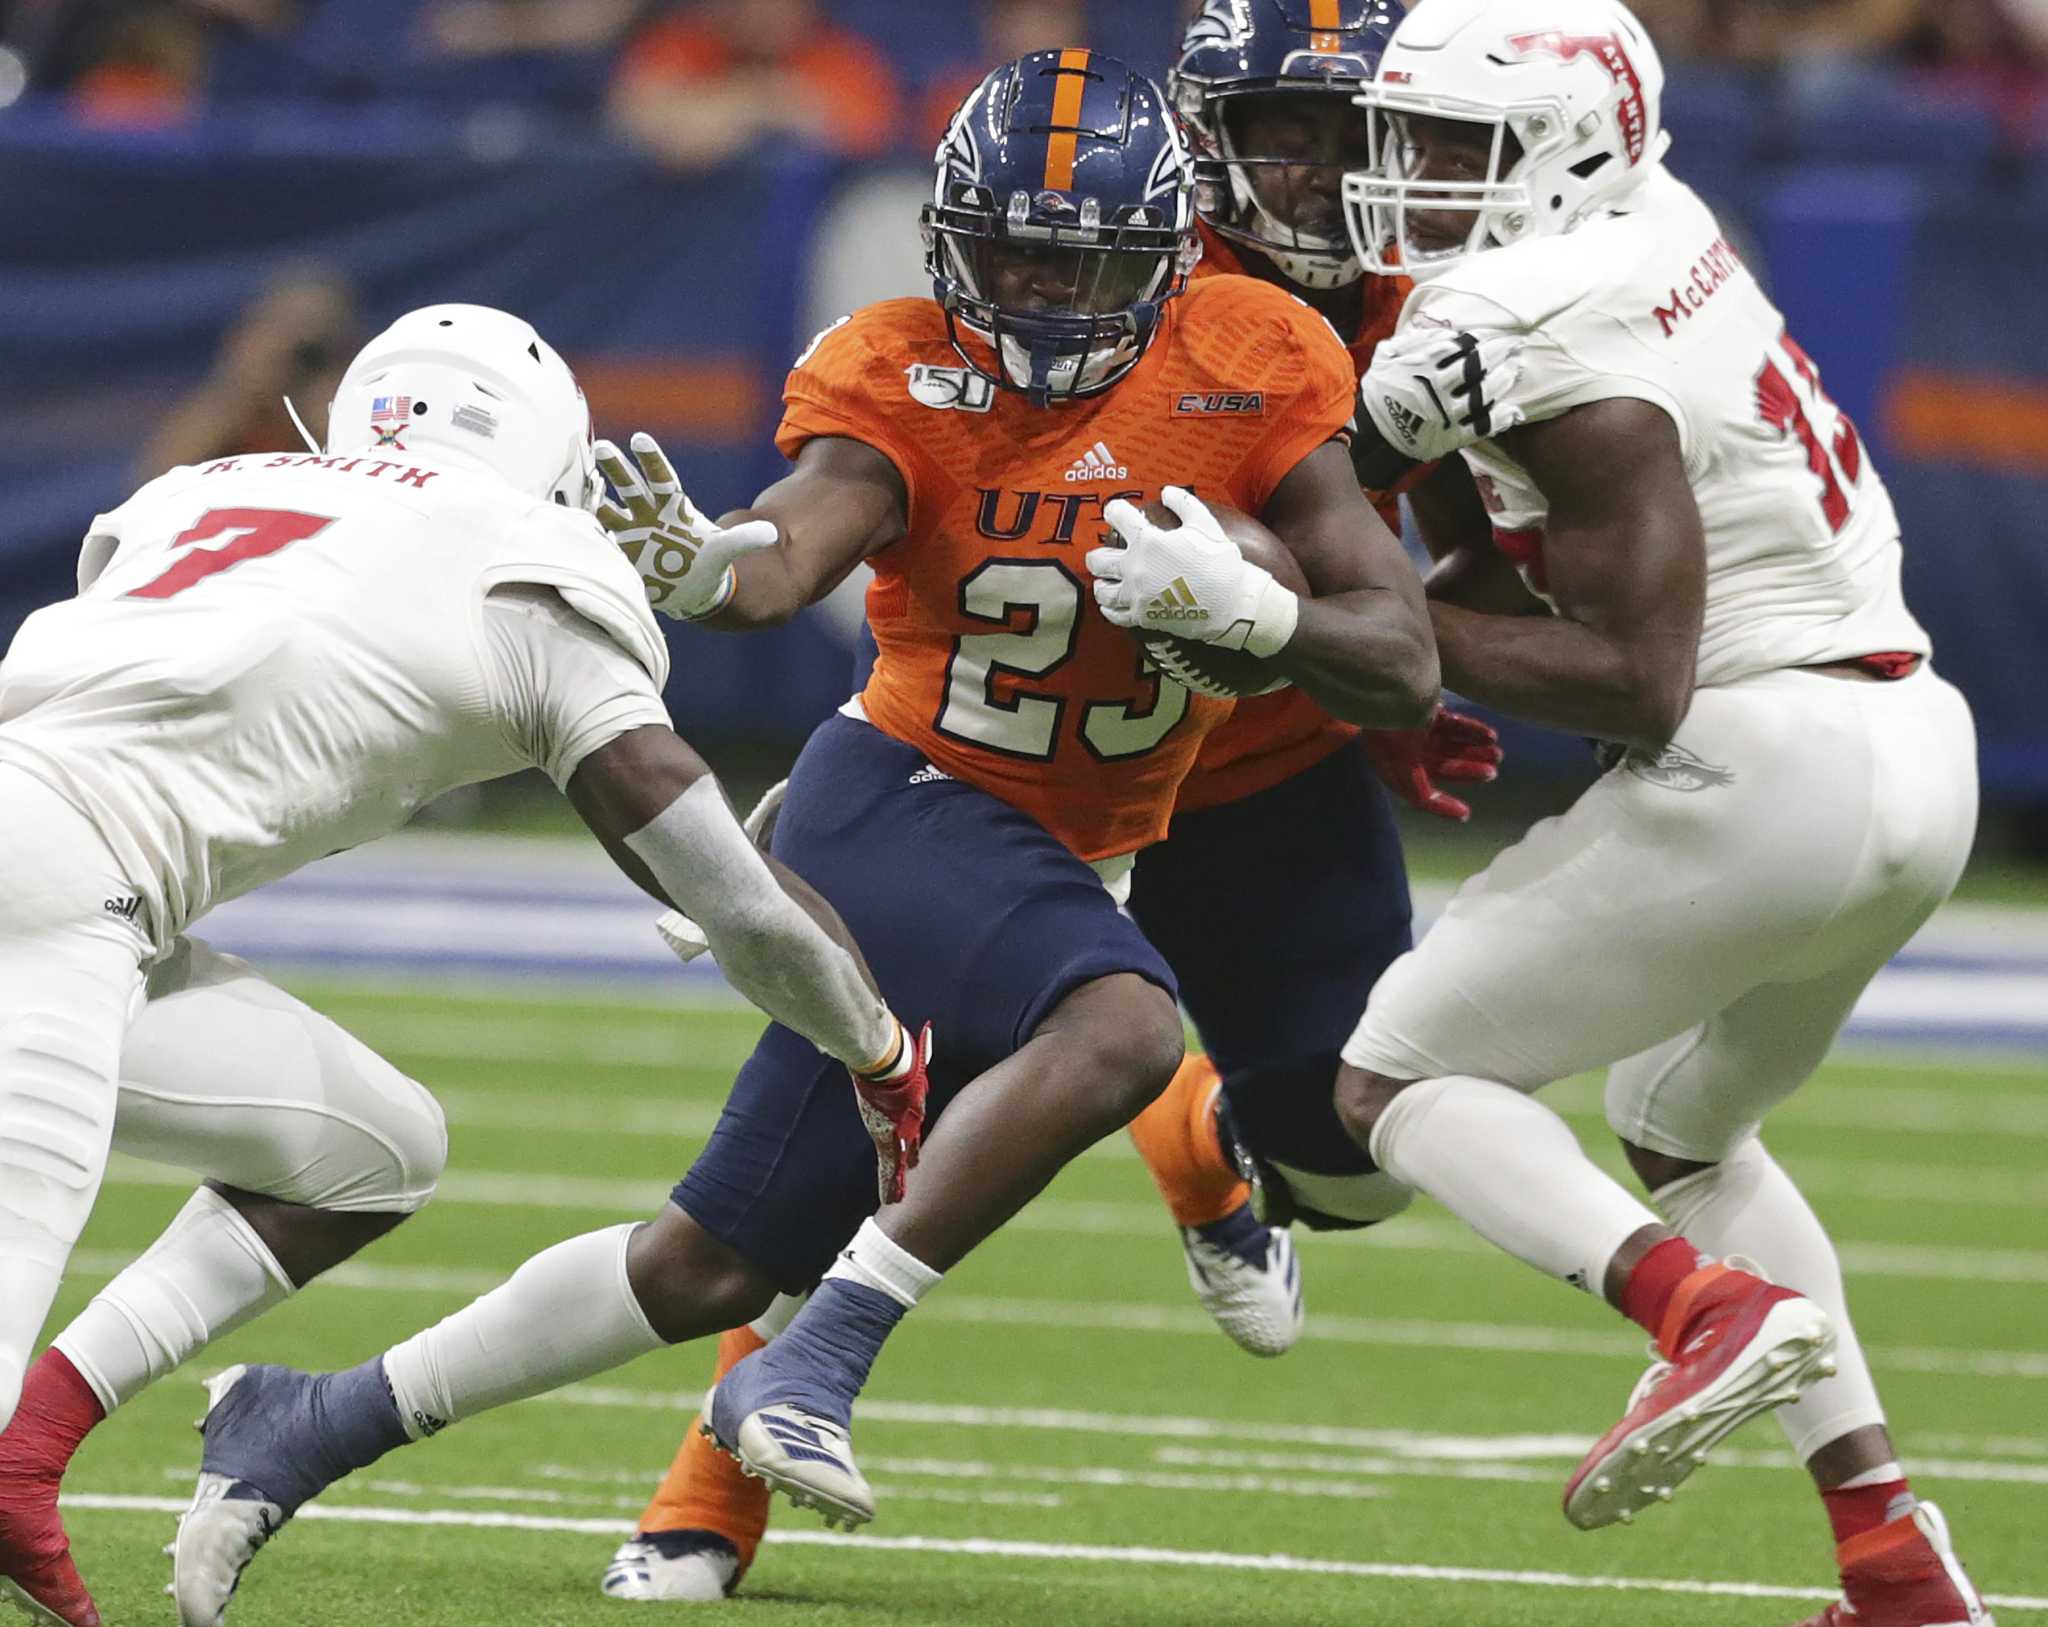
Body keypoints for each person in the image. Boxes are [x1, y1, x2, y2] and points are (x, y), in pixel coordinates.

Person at [171, 50, 1438, 1623]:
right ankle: (828, 1359)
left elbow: (1402, 658)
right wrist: (708, 563)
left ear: (1172, 255)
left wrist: (1262, 610)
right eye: (1011, 251)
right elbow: (804, 533)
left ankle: (303, 1419)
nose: (1039, 293)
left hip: (1065, 849)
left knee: (704, 1264)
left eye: (1079, 259)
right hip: (903, 805)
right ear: (952, 241)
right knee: (1124, 1027)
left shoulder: (1255, 358)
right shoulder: (903, 366)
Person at [601, 2, 1504, 1602]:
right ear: (1205, 144)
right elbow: (876, 528)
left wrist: (1364, 666)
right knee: (888, 1103)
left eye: (1358, 132)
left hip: (1267, 752)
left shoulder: (1443, 293)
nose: (1327, 169)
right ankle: (709, 1493)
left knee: (1354, 1168)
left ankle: (1199, 1138)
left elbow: (1428, 573)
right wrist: (765, 626)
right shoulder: (1103, 265)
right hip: (1024, 769)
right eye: (1284, 131)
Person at [1196, 1, 1981, 1621]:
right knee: (1685, 1128)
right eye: (1405, 140)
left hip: (1766, 765)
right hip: (1917, 759)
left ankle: (1692, 1307)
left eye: (1455, 150)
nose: (1402, 182)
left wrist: (1324, 627)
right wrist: (1408, 648)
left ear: (1561, 152)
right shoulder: (1662, 221)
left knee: (1390, 1080)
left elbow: (1636, 678)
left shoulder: (1516, 303)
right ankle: (1895, 1559)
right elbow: (1530, 536)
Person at [0, 302, 927, 1627]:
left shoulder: (199, 491)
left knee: (372, 1149)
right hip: (53, 893)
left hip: (68, 888)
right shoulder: (529, 558)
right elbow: (739, 906)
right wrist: (880, 1051)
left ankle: (30, 1452)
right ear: (554, 458)